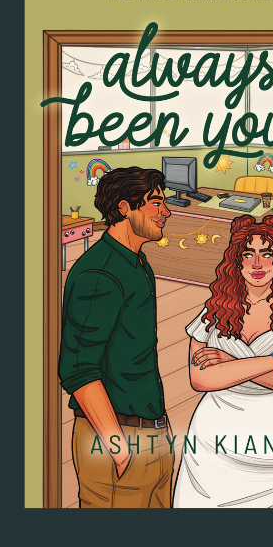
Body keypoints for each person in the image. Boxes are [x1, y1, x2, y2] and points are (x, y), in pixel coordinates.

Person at [172, 213, 273, 507]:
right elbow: (201, 378)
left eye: (267, 254)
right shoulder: (214, 311)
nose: (257, 265)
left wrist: (229, 363)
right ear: (236, 260)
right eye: (248, 255)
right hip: (214, 437)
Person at [57, 167, 173, 507]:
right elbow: (78, 368)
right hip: (117, 443)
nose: (165, 212)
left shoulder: (136, 263)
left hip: (152, 435)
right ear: (124, 208)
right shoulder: (99, 273)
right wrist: (121, 452)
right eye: (155, 203)